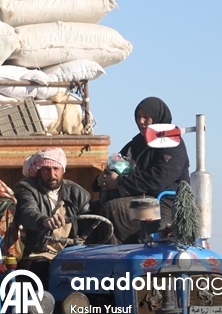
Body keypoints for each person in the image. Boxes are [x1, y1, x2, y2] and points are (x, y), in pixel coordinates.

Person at [95, 97, 191, 244]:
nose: (141, 121)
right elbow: (117, 163)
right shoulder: (137, 143)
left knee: (112, 210)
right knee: (91, 211)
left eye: (146, 117)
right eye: (138, 117)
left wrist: (120, 183)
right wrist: (102, 180)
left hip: (164, 203)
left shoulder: (171, 142)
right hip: (139, 197)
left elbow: (158, 179)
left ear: (157, 117)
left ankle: (117, 257)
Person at [14, 148, 91, 278]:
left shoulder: (77, 193)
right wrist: (44, 221)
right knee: (42, 268)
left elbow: (89, 222)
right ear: (39, 172)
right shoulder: (27, 188)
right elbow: (28, 211)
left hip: (71, 252)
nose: (52, 175)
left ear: (63, 170)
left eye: (56, 169)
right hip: (38, 252)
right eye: (46, 170)